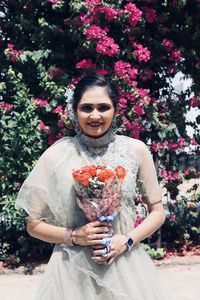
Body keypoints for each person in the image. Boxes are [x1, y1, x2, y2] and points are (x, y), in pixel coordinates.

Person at [15, 74, 171, 300]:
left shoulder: (136, 150)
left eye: (103, 107)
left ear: (115, 110)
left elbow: (157, 213)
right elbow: (33, 225)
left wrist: (125, 241)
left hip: (125, 266)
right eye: (86, 108)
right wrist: (74, 236)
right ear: (74, 111)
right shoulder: (56, 155)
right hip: (71, 274)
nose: (95, 115)